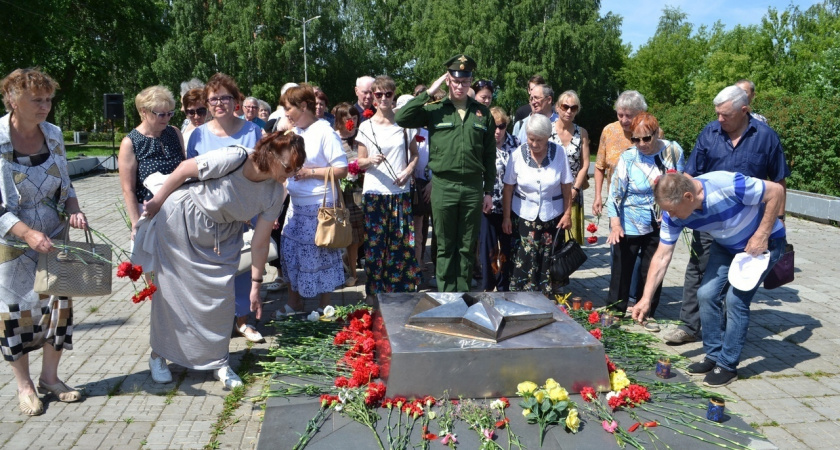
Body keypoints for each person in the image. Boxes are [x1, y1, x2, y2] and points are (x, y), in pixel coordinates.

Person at [133, 133, 304, 389]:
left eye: (297, 168)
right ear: (271, 155)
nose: (291, 174)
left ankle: (218, 362)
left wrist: (256, 285)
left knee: (222, 298)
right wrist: (157, 201)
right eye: (288, 167)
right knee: (172, 294)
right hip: (182, 220)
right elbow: (183, 170)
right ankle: (159, 356)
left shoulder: (275, 192)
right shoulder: (235, 157)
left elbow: (260, 242)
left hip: (223, 236)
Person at [632, 171, 787, 387]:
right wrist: (646, 298)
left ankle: (727, 365)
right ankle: (713, 356)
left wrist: (761, 235)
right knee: (705, 294)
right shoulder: (673, 213)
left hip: (762, 246)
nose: (671, 216)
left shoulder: (728, 185)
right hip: (725, 246)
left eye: (673, 210)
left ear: (688, 196)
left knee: (735, 300)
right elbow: (662, 255)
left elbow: (776, 191)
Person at [662, 85, 790, 345]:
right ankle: (689, 325)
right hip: (707, 215)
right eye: (717, 113)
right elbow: (690, 173)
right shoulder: (709, 133)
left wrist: (775, 223)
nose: (719, 119)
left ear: (744, 110)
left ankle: (722, 331)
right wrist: (680, 206)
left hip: (750, 225)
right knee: (698, 270)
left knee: (735, 284)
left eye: (725, 115)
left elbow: (778, 182)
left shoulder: (766, 137)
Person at [0, 68, 87, 415]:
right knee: (15, 313)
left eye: (48, 99)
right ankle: (25, 385)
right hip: (12, 243)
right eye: (37, 100)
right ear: (12, 100)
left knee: (58, 306)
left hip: (53, 237)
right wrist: (26, 233)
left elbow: (66, 184)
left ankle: (51, 377)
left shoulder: (53, 134)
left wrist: (74, 210)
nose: (45, 106)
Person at [395, 54, 496, 292]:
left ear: (471, 81)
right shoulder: (435, 109)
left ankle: (461, 292)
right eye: (455, 80)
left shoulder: (483, 114)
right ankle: (445, 294)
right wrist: (429, 92)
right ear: (448, 80)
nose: (460, 86)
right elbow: (402, 117)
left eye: (465, 81)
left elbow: (489, 156)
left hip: (472, 186)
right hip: (443, 185)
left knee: (466, 243)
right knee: (444, 244)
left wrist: (489, 191)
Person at [186, 73, 264, 344]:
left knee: (242, 267)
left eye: (225, 97)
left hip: (245, 211)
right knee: (212, 270)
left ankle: (243, 321)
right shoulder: (197, 135)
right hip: (208, 213)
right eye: (213, 98)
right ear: (207, 104)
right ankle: (215, 323)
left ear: (236, 101)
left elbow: (261, 171)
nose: (219, 103)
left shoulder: (253, 131)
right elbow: (192, 175)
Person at [606, 112, 684, 328]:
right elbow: (615, 194)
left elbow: (679, 183)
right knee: (622, 270)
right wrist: (615, 224)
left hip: (661, 221)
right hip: (629, 220)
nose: (641, 144)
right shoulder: (628, 157)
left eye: (646, 138)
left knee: (652, 267)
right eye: (635, 139)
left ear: (657, 133)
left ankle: (646, 312)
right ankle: (615, 311)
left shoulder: (673, 151)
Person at [280, 84, 348, 313]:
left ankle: (325, 306)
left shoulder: (325, 132)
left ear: (303, 106)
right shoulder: (295, 132)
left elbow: (341, 169)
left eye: (288, 108)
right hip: (295, 205)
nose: (286, 113)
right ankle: (295, 302)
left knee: (319, 254)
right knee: (291, 252)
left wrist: (310, 173)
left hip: (319, 206)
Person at [355, 76, 421, 295]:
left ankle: (400, 297)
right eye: (379, 94)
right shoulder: (365, 126)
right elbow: (359, 162)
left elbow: (415, 154)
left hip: (399, 193)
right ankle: (375, 298)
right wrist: (371, 160)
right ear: (373, 97)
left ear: (394, 96)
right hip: (375, 193)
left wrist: (408, 171)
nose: (383, 98)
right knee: (375, 249)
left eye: (388, 94)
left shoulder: (405, 125)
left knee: (401, 248)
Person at [502, 114, 573, 296]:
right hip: (524, 216)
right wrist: (507, 217)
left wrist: (567, 214)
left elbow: (566, 186)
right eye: (531, 139)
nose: (534, 144)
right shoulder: (517, 154)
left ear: (548, 137)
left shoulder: (559, 153)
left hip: (552, 217)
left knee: (548, 258)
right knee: (524, 259)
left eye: (539, 140)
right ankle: (521, 296)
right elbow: (508, 188)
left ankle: (547, 295)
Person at [119, 86, 186, 238]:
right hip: (150, 213)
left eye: (170, 113)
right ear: (144, 111)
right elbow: (128, 189)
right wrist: (136, 224)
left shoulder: (174, 132)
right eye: (161, 114)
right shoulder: (131, 143)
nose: (167, 118)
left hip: (180, 210)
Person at [479, 106, 518, 292]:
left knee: (507, 248)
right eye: (494, 126)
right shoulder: (481, 143)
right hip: (487, 205)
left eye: (501, 126)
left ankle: (504, 285)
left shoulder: (516, 144)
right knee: (488, 248)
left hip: (509, 206)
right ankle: (488, 285)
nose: (497, 131)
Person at [593, 90, 649, 217]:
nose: (623, 120)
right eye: (620, 115)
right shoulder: (609, 131)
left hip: (646, 205)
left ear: (641, 113)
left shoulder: (651, 133)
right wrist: (598, 196)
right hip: (617, 205)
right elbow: (599, 166)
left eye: (629, 115)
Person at [394, 95, 432, 278]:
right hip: (397, 188)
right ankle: (400, 272)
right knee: (399, 234)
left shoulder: (427, 134)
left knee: (417, 234)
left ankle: (415, 272)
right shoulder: (394, 132)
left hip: (421, 187)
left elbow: (436, 161)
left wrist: (432, 183)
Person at [549, 90, 590, 245]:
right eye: (565, 106)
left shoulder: (582, 133)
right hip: (552, 188)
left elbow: (585, 163)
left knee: (569, 239)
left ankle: (566, 266)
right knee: (551, 236)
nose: (568, 111)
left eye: (573, 108)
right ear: (557, 107)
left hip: (574, 189)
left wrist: (575, 189)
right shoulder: (548, 129)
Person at [332, 102, 365, 287]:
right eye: (347, 119)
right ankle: (353, 273)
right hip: (345, 193)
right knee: (352, 235)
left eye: (354, 118)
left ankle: (346, 259)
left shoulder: (362, 136)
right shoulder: (334, 138)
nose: (351, 122)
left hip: (364, 188)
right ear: (339, 120)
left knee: (364, 235)